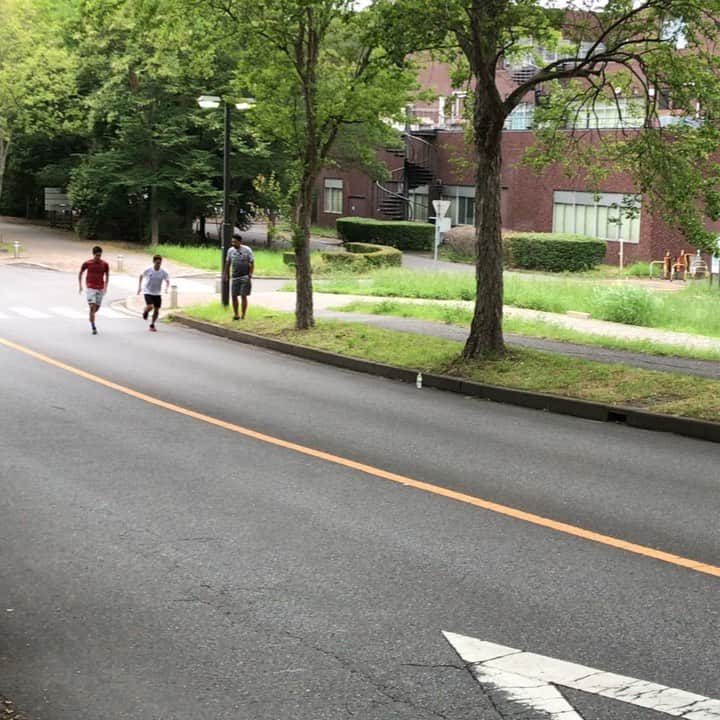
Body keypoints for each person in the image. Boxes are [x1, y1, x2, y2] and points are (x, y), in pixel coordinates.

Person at [78, 245, 110, 335]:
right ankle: (93, 327)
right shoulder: (87, 263)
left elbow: (107, 275)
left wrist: (106, 287)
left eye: (99, 255)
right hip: (90, 287)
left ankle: (91, 315)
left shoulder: (105, 264)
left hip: (100, 288)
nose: (98, 257)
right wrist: (80, 285)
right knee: (92, 307)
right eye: (97, 255)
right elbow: (80, 272)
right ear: (93, 255)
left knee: (96, 308)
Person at [224, 231, 254, 320]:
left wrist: (250, 274)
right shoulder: (230, 250)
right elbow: (227, 263)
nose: (233, 244)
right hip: (235, 277)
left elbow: (252, 263)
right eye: (232, 242)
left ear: (240, 242)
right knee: (234, 296)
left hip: (245, 276)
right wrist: (225, 274)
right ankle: (236, 314)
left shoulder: (247, 250)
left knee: (243, 295)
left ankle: (243, 315)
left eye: (235, 242)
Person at [137, 254, 170, 332]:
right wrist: (139, 287)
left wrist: (166, 288)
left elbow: (167, 280)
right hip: (148, 291)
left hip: (157, 293)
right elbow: (141, 276)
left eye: (160, 263)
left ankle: (152, 324)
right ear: (154, 262)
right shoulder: (148, 269)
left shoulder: (163, 272)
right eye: (157, 263)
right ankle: (145, 311)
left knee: (157, 309)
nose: (158, 264)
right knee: (150, 306)